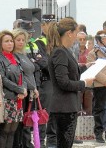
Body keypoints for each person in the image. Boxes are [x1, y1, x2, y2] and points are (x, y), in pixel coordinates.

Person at [46, 18, 94, 148]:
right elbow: (63, 82)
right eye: (76, 33)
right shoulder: (60, 52)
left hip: (68, 105)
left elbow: (70, 70)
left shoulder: (64, 50)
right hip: (63, 106)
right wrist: (84, 83)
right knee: (64, 144)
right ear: (69, 33)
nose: (77, 37)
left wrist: (85, 67)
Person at [0, 30, 27, 148]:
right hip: (7, 98)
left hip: (18, 99)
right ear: (0, 43)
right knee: (5, 131)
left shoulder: (15, 58)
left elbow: (23, 76)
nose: (10, 44)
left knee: (13, 131)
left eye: (11, 41)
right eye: (6, 41)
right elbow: (2, 78)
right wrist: (19, 90)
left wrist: (24, 89)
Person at [12, 28, 39, 148]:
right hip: (22, 92)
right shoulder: (13, 56)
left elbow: (30, 74)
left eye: (23, 40)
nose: (21, 42)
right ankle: (24, 144)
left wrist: (35, 88)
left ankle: (27, 143)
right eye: (18, 39)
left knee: (28, 120)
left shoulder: (24, 55)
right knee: (22, 121)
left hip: (30, 92)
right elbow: (21, 75)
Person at [38, 14, 58, 148]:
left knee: (55, 112)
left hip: (57, 81)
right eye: (48, 25)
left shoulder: (56, 41)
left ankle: (53, 140)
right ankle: (41, 140)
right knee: (44, 112)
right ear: (42, 26)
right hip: (47, 80)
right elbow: (43, 62)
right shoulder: (39, 41)